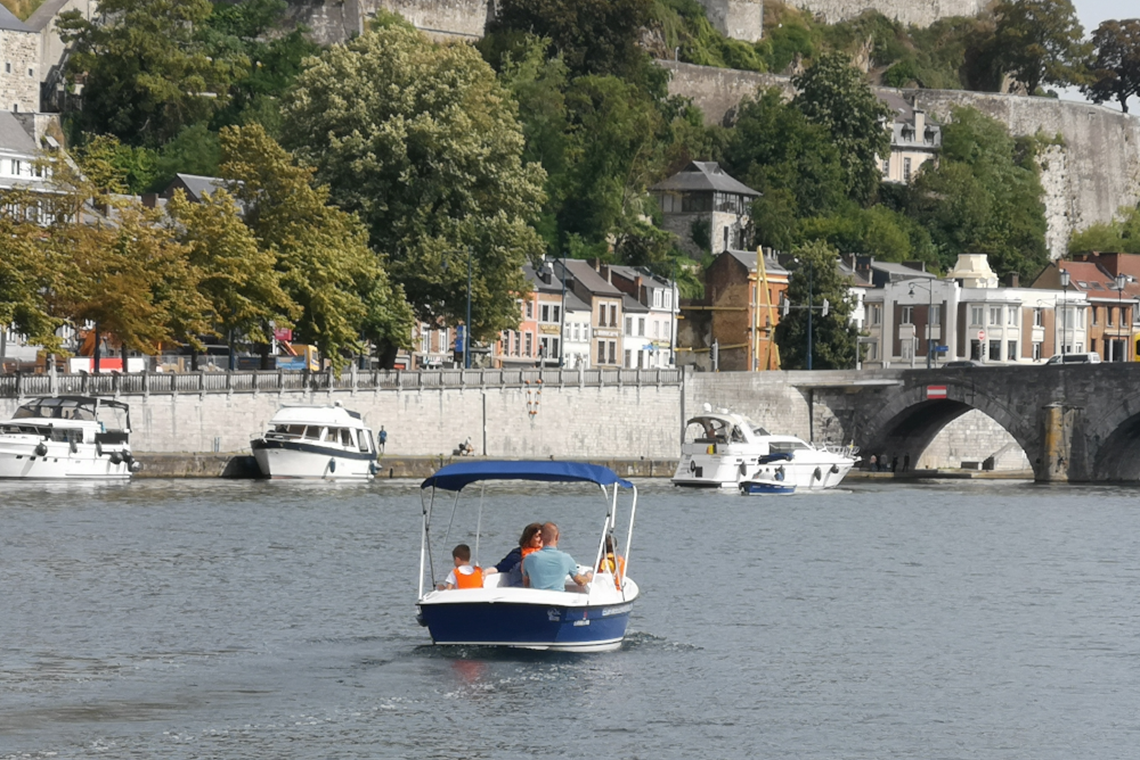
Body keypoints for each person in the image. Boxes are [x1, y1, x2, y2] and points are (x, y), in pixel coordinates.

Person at [523, 522, 593, 591]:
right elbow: (580, 581)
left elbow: (526, 583)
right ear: (557, 537)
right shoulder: (566, 558)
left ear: (541, 537)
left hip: (536, 599)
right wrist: (587, 578)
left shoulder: (529, 558)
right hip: (557, 598)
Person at [489, 522, 543, 586]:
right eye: (537, 536)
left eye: (542, 536)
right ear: (528, 538)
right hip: (519, 588)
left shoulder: (547, 554)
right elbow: (500, 567)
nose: (541, 540)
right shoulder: (517, 554)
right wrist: (486, 572)